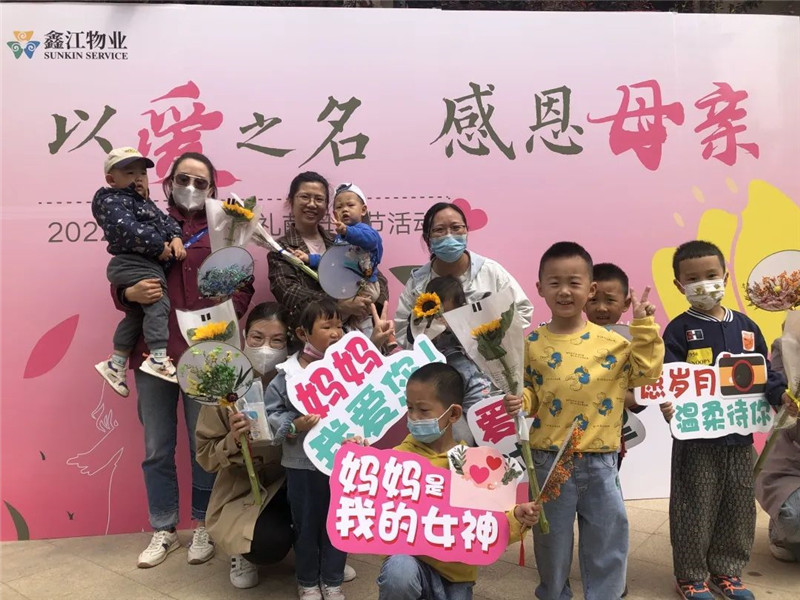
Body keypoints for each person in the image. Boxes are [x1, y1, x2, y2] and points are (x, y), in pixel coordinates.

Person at [114, 152, 254, 568]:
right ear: (169, 183)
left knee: (203, 445)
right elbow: (124, 271)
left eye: (200, 182)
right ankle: (164, 527)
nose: (191, 188)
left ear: (212, 189)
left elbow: (243, 283)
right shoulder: (145, 224)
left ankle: (205, 524)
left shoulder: (224, 228)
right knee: (157, 447)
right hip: (153, 355)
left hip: (206, 356)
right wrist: (126, 294)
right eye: (183, 179)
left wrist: (227, 315)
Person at [503, 241, 664, 600]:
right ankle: (553, 593)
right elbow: (533, 393)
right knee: (551, 541)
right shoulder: (532, 343)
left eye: (574, 282)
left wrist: (644, 326)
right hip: (548, 460)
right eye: (555, 282)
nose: (564, 291)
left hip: (601, 459)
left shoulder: (613, 343)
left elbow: (647, 374)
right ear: (540, 287)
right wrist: (520, 401)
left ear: (590, 289)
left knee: (608, 539)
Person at [658, 240, 790, 600]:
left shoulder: (746, 326)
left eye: (711, 275)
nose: (704, 284)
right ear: (679, 285)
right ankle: (690, 576)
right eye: (693, 279)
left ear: (725, 277)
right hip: (696, 439)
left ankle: (727, 572)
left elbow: (765, 372)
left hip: (740, 436)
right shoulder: (679, 330)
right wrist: (668, 404)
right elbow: (669, 377)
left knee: (738, 506)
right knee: (694, 507)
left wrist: (782, 396)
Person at [354, 362, 539, 600]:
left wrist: (517, 517)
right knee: (398, 571)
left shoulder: (474, 465)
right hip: (411, 565)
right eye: (409, 408)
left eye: (423, 410)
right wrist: (359, 464)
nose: (413, 417)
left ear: (453, 414)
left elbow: (494, 522)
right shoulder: (397, 459)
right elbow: (370, 501)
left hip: (457, 576)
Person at [195, 302, 293, 589]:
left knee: (317, 500)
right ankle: (242, 550)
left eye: (277, 340)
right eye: (257, 338)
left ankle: (321, 554)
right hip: (245, 486)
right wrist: (231, 440)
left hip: (292, 479)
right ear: (244, 337)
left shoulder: (300, 378)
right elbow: (205, 457)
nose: (266, 348)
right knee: (268, 542)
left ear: (289, 342)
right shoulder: (223, 386)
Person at [265, 299, 349, 600]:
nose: (336, 332)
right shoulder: (287, 374)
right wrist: (294, 424)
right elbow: (271, 413)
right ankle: (308, 581)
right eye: (327, 326)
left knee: (338, 522)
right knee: (306, 523)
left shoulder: (347, 369)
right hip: (301, 464)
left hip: (340, 462)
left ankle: (333, 580)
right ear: (303, 334)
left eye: (339, 325)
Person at [93, 147, 184, 396]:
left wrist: (176, 237)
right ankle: (157, 357)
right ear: (111, 179)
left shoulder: (143, 203)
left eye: (142, 173)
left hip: (144, 263)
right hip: (132, 262)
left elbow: (166, 222)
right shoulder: (111, 201)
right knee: (158, 301)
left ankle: (116, 363)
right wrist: (158, 246)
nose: (138, 178)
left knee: (136, 315)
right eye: (130, 173)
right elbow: (128, 229)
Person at [393, 202, 532, 349]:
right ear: (428, 237)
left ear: (466, 231)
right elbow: (402, 331)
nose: (449, 235)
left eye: (456, 227)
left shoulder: (490, 272)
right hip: (436, 362)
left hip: (488, 361)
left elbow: (523, 310)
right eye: (439, 229)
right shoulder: (418, 283)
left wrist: (491, 337)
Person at [268, 172, 388, 339]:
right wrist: (337, 304)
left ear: (326, 207)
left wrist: (366, 304)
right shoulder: (282, 249)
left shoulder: (343, 239)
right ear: (291, 201)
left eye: (319, 199)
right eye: (304, 197)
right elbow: (289, 293)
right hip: (310, 340)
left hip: (358, 335)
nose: (312, 204)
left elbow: (377, 276)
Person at [408, 276, 498, 446]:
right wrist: (428, 326)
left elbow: (480, 337)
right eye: (437, 311)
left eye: (448, 313)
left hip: (473, 384)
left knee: (484, 427)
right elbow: (414, 338)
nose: (441, 318)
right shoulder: (422, 323)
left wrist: (454, 325)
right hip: (443, 392)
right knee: (461, 438)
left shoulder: (467, 323)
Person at [292, 182, 383, 334]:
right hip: (347, 287)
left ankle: (365, 335)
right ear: (335, 215)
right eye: (339, 207)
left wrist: (347, 232)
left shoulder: (366, 231)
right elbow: (332, 261)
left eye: (350, 205)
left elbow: (370, 241)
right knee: (340, 320)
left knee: (358, 319)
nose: (345, 209)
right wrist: (309, 258)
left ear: (363, 210)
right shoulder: (339, 239)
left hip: (366, 286)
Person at [583, 262, 645, 469]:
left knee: (607, 482)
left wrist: (613, 395)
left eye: (610, 300)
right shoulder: (568, 338)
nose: (601, 308)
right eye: (593, 300)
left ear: (626, 304)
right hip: (566, 435)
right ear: (583, 300)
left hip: (610, 440)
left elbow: (640, 396)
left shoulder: (632, 341)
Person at [756, 332, 800, 563]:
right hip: (791, 460)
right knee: (793, 516)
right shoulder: (787, 346)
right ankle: (782, 534)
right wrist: (787, 399)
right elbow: (778, 396)